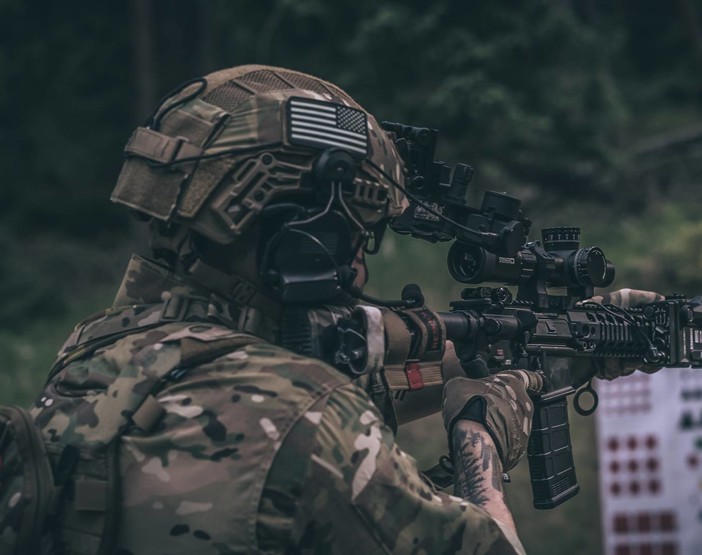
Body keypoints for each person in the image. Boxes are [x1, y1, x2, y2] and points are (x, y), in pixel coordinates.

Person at [23, 65, 660, 554]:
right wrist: (482, 432)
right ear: (310, 239)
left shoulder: (95, 352)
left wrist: (522, 354)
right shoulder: (310, 422)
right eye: (359, 238)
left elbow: (302, 398)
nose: (359, 268)